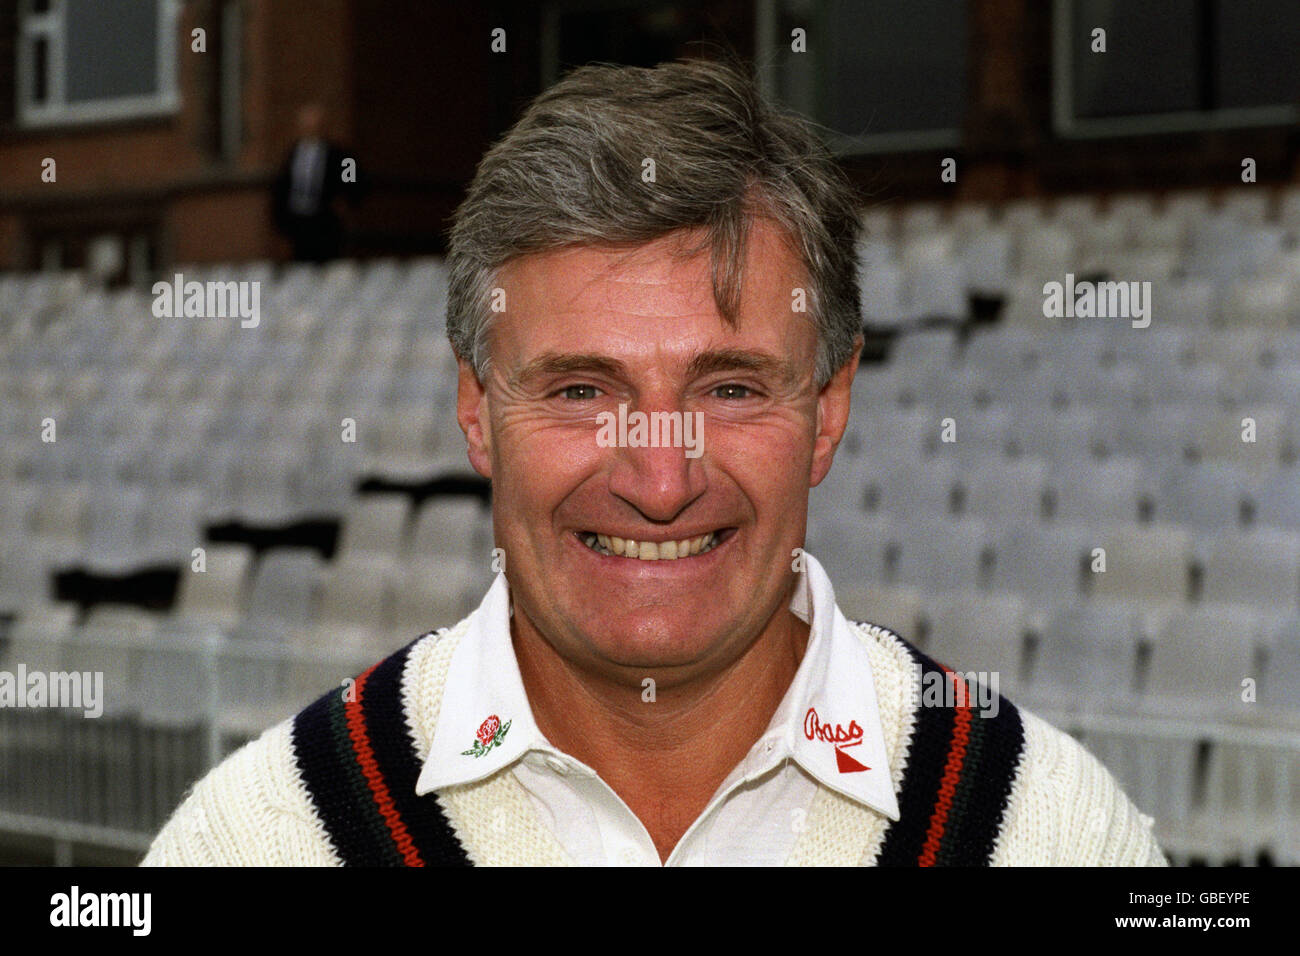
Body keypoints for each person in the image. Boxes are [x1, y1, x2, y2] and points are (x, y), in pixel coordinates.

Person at [144, 58, 1166, 866]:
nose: (660, 477)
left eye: (729, 388)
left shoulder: (1051, 833)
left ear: (828, 407)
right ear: (476, 407)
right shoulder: (262, 836)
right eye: (581, 390)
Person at [270, 103, 357, 263]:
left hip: (324, 221)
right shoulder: (292, 155)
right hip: (297, 221)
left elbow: (352, 177)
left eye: (315, 125)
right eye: (307, 125)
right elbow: (281, 189)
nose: (311, 129)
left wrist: (346, 198)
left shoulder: (339, 154)